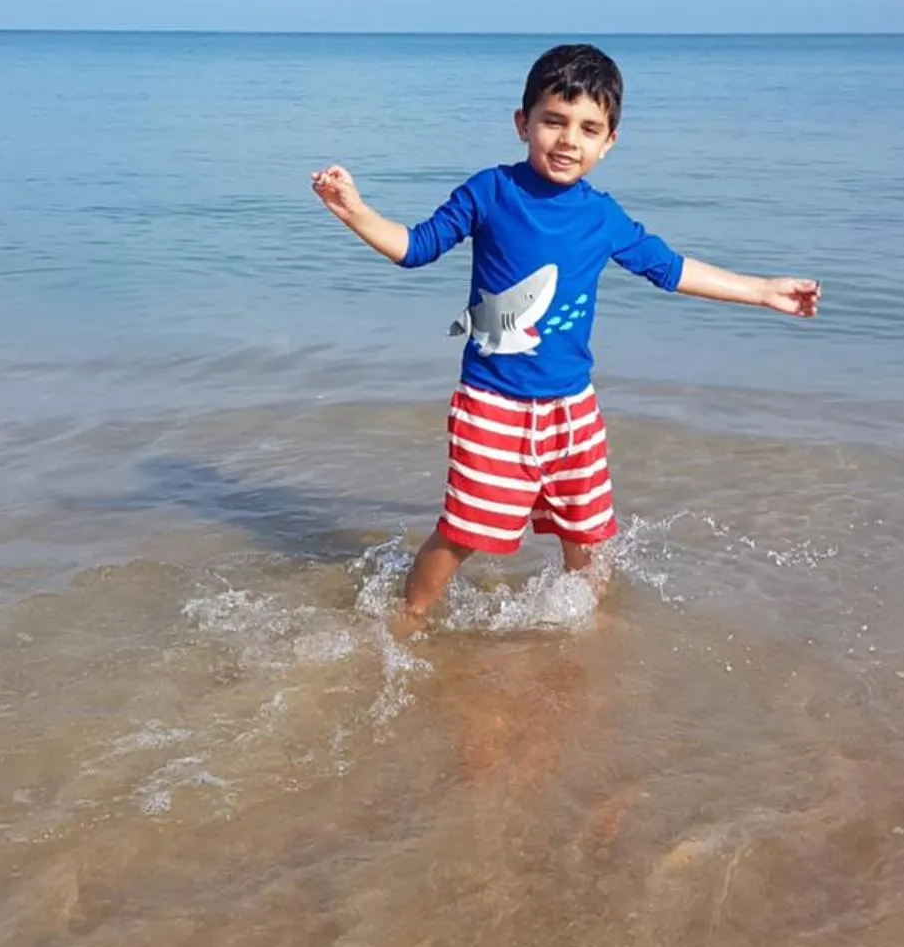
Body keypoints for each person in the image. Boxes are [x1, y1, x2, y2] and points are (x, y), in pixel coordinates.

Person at [311, 42, 819, 622]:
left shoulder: (602, 217)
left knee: (587, 537)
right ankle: (407, 619)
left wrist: (761, 290)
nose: (568, 139)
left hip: (572, 411)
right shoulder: (490, 191)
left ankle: (578, 638)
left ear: (609, 142)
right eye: (553, 121)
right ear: (523, 123)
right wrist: (355, 211)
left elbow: (670, 268)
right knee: (463, 533)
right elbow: (416, 247)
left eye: (588, 127)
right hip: (492, 406)